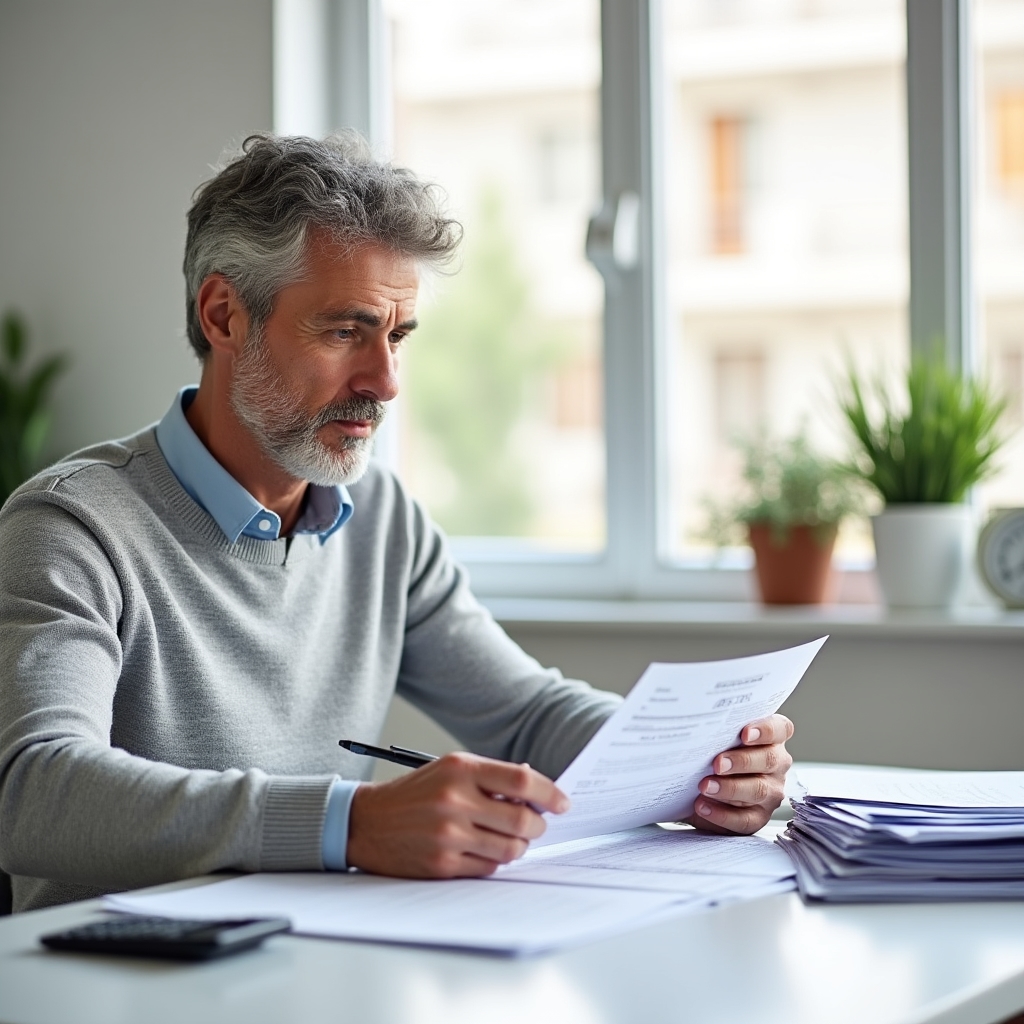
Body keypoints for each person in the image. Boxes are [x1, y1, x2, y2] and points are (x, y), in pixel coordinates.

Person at [0, 134, 794, 913]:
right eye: (345, 330)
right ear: (223, 316)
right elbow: (31, 788)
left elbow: (524, 714)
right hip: (110, 980)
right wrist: (350, 821)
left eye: (398, 335)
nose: (384, 381)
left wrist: (696, 766)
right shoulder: (73, 525)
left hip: (314, 963)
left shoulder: (381, 519)